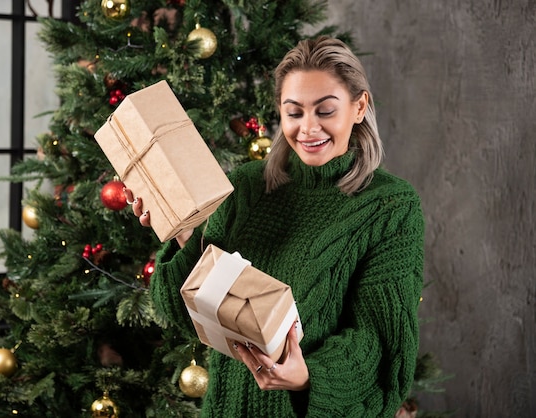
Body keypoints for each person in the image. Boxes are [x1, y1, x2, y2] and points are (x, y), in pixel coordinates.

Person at [125, 36, 425, 417]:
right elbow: (182, 313)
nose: (308, 128)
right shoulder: (248, 186)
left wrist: (307, 377)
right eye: (294, 112)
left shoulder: (390, 206)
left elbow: (380, 342)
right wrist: (182, 230)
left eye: (325, 111)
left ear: (359, 106)